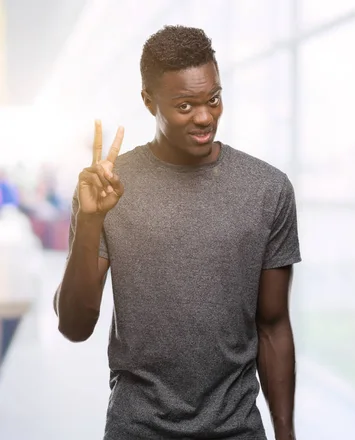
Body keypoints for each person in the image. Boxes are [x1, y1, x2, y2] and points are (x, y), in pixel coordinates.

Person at [54, 25, 301, 440]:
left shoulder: (267, 190)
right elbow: (73, 327)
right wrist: (91, 221)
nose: (205, 117)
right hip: (137, 429)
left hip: (237, 429)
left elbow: (273, 325)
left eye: (213, 100)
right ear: (149, 101)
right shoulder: (108, 187)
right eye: (185, 106)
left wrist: (286, 433)